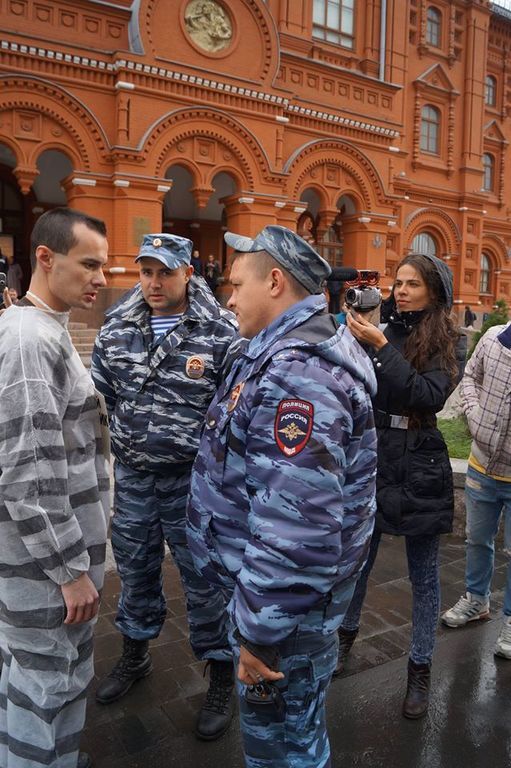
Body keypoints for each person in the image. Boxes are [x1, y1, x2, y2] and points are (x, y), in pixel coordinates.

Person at [187, 225, 377, 767]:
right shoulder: (275, 351)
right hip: (281, 608)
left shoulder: (298, 375)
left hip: (284, 618)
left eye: (235, 283)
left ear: (274, 282)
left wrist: (259, 634)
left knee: (285, 749)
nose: (228, 296)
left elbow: (297, 529)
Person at [91, 233, 239, 741]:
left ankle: (221, 673)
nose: (155, 283)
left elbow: (234, 410)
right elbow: (104, 397)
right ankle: (135, 656)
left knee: (207, 578)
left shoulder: (221, 332)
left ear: (188, 273)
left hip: (193, 483)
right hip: (133, 477)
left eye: (166, 272)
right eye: (147, 271)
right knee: (133, 568)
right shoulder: (116, 329)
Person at [0, 207, 110, 768]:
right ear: (45, 257)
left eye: (104, 266)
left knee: (41, 689)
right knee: (46, 692)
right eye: (89, 264)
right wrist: (69, 573)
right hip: (44, 574)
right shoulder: (28, 342)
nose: (101, 279)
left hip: (47, 567)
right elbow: (28, 476)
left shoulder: (44, 330)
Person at [336, 252, 467, 719]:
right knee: (356, 563)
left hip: (420, 459)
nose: (401, 290)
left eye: (413, 283)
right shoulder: (379, 324)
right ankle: (342, 642)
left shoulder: (451, 340)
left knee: (424, 576)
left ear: (435, 291)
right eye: (398, 281)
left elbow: (427, 394)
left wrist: (380, 346)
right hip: (374, 452)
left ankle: (420, 668)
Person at [441, 320, 511, 657]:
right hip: (482, 467)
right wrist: (473, 412)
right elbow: (469, 376)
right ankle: (476, 599)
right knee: (477, 539)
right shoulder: (494, 339)